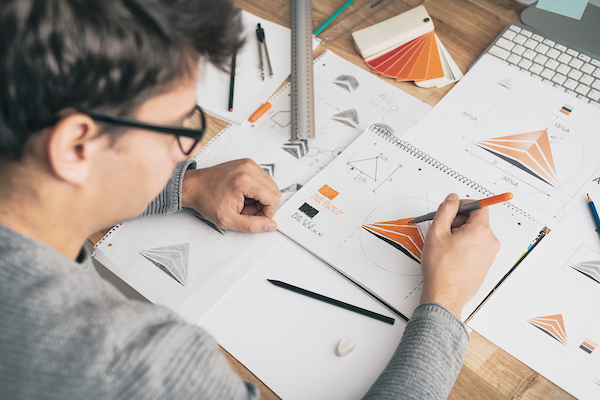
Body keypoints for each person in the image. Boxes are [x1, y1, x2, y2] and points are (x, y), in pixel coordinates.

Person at [0, 0, 500, 399]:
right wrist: (445, 303)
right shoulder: (136, 367)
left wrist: (186, 186)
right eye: (178, 125)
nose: (191, 148)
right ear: (75, 147)